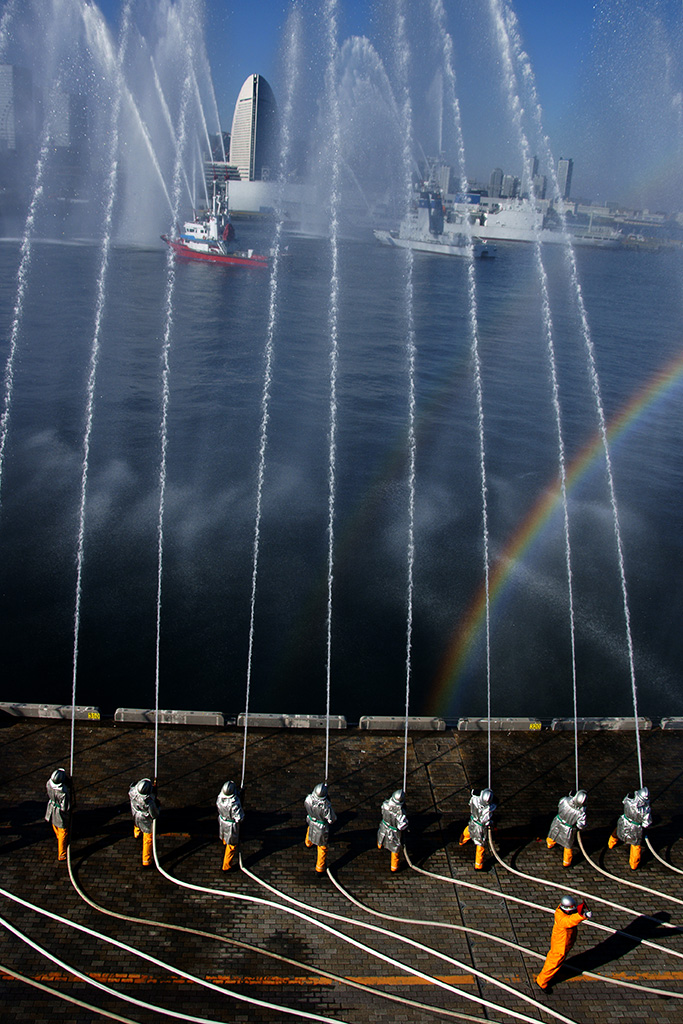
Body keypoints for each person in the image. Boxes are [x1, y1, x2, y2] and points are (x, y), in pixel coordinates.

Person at [536, 894, 592, 990]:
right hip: (560, 945)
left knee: (557, 961)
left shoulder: (563, 911)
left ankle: (549, 975)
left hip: (564, 942)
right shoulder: (561, 918)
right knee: (554, 962)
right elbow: (569, 921)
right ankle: (542, 982)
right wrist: (582, 916)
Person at [607, 787, 652, 869]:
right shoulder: (646, 810)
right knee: (635, 846)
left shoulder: (629, 801)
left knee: (617, 832)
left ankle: (611, 844)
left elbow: (624, 800)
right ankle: (634, 864)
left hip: (624, 822)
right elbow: (646, 823)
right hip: (636, 829)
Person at [546, 790, 587, 867]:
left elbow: (559, 804)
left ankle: (550, 844)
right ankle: (566, 863)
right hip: (568, 829)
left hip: (558, 822)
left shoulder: (564, 800)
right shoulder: (581, 812)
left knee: (552, 835)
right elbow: (581, 825)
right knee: (568, 845)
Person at [459, 788, 496, 870]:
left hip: (473, 820)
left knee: (468, 831)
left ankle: (461, 841)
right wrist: (491, 822)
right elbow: (485, 821)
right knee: (480, 844)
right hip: (480, 827)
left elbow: (473, 792)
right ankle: (478, 865)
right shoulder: (487, 809)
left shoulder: (475, 798)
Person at [304, 782, 337, 874]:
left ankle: (308, 843)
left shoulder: (308, 799)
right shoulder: (325, 807)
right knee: (322, 846)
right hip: (321, 827)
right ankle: (320, 867)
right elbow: (332, 819)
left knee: (310, 831)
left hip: (311, 821)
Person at [128, 778, 160, 867]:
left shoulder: (132, 792)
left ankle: (137, 834)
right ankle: (146, 860)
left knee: (136, 825)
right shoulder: (148, 802)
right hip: (145, 820)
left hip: (135, 814)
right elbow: (154, 814)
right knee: (148, 838)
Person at [377, 789, 409, 872]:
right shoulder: (400, 813)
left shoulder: (385, 804)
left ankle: (379, 846)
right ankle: (394, 867)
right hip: (394, 832)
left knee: (381, 837)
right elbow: (401, 826)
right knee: (395, 848)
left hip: (384, 826)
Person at [45, 768, 73, 862]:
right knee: (63, 831)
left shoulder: (49, 783)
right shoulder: (63, 793)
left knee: (54, 823)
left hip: (51, 806)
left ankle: (59, 838)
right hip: (59, 812)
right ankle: (62, 854)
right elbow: (65, 807)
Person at [216, 780, 245, 871]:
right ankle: (226, 866)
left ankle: (225, 842)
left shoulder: (219, 799)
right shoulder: (234, 804)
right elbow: (239, 817)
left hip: (222, 821)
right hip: (231, 826)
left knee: (224, 836)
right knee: (232, 846)